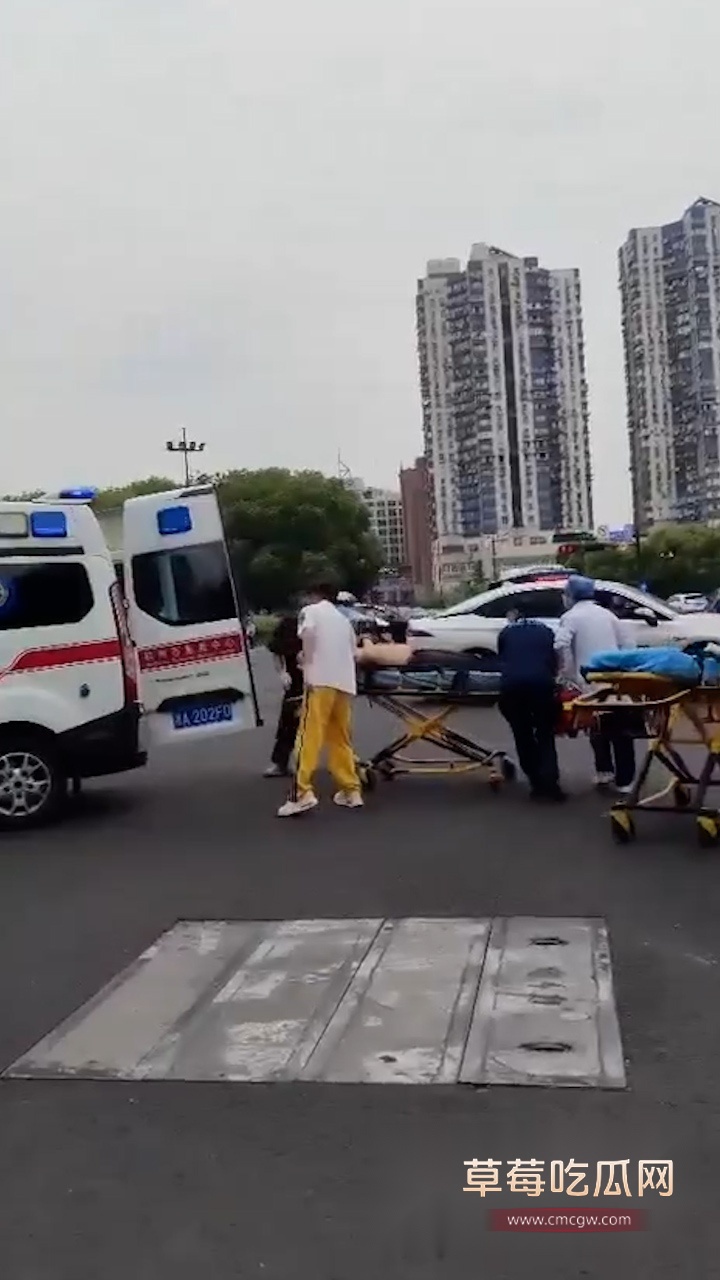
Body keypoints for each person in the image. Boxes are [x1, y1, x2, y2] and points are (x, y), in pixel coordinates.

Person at [277, 581, 363, 817]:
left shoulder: (311, 611)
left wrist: (306, 659)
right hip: (344, 684)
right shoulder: (343, 620)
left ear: (315, 595)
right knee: (340, 738)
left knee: (308, 737)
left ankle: (301, 793)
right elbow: (354, 653)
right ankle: (351, 791)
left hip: (320, 682)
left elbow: (308, 634)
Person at [554, 575, 636, 793]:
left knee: (597, 727)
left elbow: (560, 644)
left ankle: (604, 771)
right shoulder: (608, 615)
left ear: (571, 595)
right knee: (620, 730)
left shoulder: (570, 617)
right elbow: (629, 645)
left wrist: (568, 673)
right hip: (616, 680)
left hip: (588, 681)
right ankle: (625, 780)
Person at [496, 605, 565, 801]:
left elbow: (504, 659)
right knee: (545, 733)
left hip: (512, 688)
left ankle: (536, 783)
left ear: (515, 615)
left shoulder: (506, 632)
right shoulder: (546, 631)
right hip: (542, 685)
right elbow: (553, 661)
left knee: (522, 734)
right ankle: (551, 785)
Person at [264, 610, 303, 778]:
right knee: (289, 723)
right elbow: (276, 651)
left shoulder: (320, 624)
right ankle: (281, 762)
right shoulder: (290, 624)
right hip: (296, 682)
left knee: (331, 725)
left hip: (319, 679)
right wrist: (281, 672)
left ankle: (343, 762)